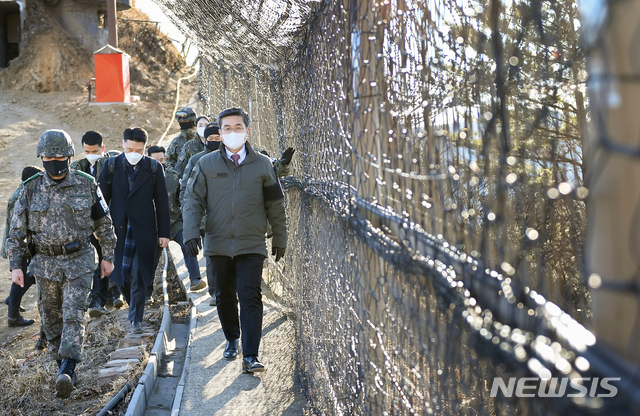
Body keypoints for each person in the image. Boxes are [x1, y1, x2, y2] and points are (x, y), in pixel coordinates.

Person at [6, 129, 116, 398]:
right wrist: (16, 265)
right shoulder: (29, 189)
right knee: (52, 321)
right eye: (48, 156)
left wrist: (108, 256)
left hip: (79, 260)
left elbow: (104, 224)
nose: (54, 160)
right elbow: (16, 232)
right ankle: (61, 368)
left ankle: (68, 367)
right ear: (41, 157)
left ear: (69, 156)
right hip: (45, 265)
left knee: (73, 314)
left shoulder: (87, 184)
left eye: (59, 155)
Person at [183, 107, 287, 373]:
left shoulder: (262, 163)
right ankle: (232, 337)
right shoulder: (205, 164)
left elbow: (275, 203)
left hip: (251, 242)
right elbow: (192, 199)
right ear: (220, 132)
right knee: (224, 297)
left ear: (247, 130)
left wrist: (280, 235)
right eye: (226, 128)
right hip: (218, 242)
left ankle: (251, 355)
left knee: (250, 296)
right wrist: (190, 232)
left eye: (238, 127)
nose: (232, 132)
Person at [97, 128, 171, 334]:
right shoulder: (111, 165)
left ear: (145, 148)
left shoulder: (154, 168)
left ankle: (136, 319)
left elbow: (162, 202)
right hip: (117, 231)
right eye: (130, 149)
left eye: (139, 150)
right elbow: (101, 199)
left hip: (144, 231)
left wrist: (164, 232)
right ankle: (133, 306)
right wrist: (98, 228)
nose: (134, 153)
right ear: (123, 145)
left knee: (139, 273)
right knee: (122, 276)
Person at [70, 131, 122, 317]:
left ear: (102, 148)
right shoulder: (77, 168)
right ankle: (97, 302)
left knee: (112, 257)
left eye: (95, 151)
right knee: (96, 261)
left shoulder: (112, 164)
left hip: (112, 221)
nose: (91, 154)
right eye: (87, 151)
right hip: (90, 225)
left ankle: (116, 293)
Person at [147, 145, 205, 291]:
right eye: (155, 160)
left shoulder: (172, 176)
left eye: (162, 159)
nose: (160, 163)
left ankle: (195, 279)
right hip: (154, 225)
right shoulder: (142, 178)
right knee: (152, 258)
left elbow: (182, 196)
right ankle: (146, 292)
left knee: (188, 245)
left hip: (175, 221)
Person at [1, 166, 41, 329]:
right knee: (23, 278)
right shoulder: (24, 196)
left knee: (26, 276)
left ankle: (12, 301)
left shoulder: (20, 191)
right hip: (20, 245)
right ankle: (13, 316)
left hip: (17, 243)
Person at [165, 107, 198, 175]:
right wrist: (176, 174)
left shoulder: (202, 139)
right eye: (181, 123)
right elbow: (168, 162)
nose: (183, 125)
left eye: (186, 122)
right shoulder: (176, 142)